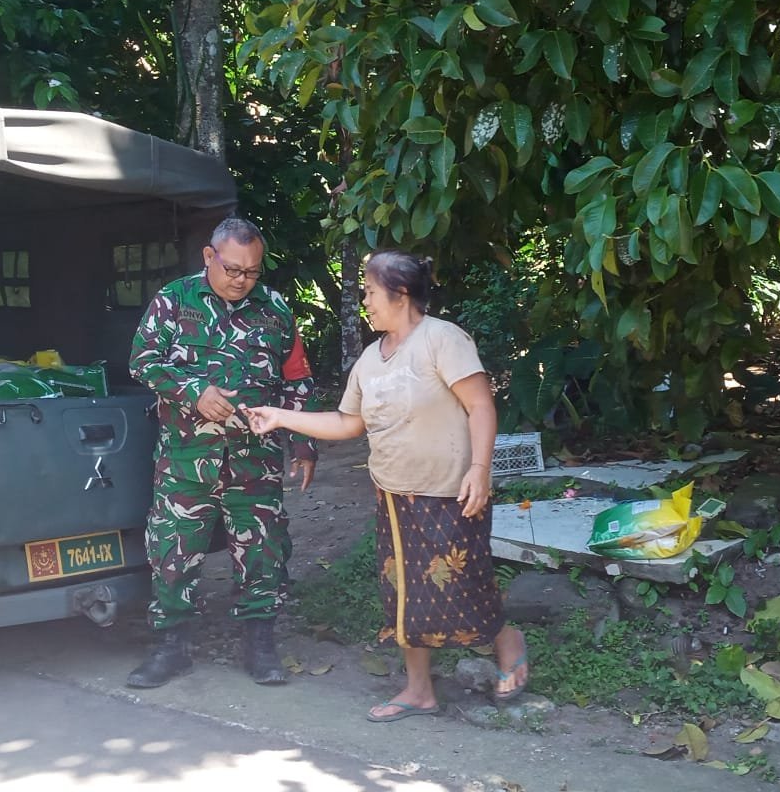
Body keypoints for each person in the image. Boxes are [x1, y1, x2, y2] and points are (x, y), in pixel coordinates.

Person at [242, 250, 531, 721]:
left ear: (399, 294)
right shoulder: (370, 360)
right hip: (394, 497)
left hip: (451, 492)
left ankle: (507, 641)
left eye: (370, 292)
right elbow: (347, 422)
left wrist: (480, 469)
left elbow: (480, 405)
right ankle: (419, 690)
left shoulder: (442, 339)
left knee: (464, 585)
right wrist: (279, 417)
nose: (365, 302)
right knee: (404, 597)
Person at [126, 216, 317, 688]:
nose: (241, 280)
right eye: (233, 269)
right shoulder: (174, 300)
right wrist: (193, 392)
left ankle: (259, 646)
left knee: (263, 553)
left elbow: (297, 379)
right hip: (186, 460)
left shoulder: (275, 309)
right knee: (172, 554)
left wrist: (304, 444)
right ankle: (171, 648)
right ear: (209, 257)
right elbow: (142, 361)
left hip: (255, 461)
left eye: (252, 272)